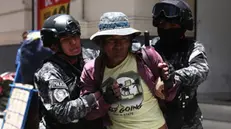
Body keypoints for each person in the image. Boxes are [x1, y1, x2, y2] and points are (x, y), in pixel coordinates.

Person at [80, 12, 175, 129]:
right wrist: (105, 99)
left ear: (130, 41)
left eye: (124, 39)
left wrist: (168, 82)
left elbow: (169, 96)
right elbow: (88, 114)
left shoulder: (148, 57)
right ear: (101, 43)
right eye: (111, 40)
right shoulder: (92, 70)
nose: (118, 45)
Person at [34, 14, 101, 129]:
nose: (74, 42)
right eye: (66, 40)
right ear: (54, 46)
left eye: (75, 36)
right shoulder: (49, 72)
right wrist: (97, 96)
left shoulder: (91, 56)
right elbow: (63, 112)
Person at [151, 0, 209, 129]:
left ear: (183, 26)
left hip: (187, 121)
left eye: (171, 25)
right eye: (162, 25)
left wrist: (175, 76)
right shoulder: (152, 47)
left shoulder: (193, 47)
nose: (166, 28)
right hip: (156, 119)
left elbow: (201, 70)